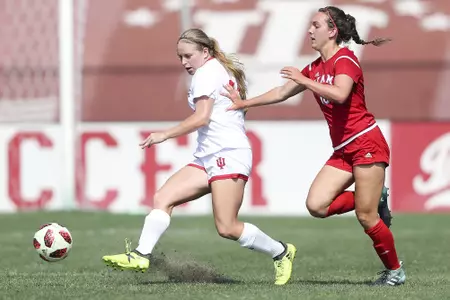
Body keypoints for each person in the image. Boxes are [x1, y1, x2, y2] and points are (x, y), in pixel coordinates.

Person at [221, 6, 405, 286]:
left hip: (366, 142)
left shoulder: (346, 60)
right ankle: (375, 197)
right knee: (317, 205)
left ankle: (395, 272)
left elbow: (341, 94)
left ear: (332, 31)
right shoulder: (315, 68)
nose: (310, 30)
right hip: (345, 149)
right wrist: (244, 103)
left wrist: (305, 80)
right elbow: (283, 92)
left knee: (366, 217)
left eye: (316, 25)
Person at [102, 28, 297, 286]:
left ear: (205, 52)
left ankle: (281, 252)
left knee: (227, 227)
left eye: (188, 56)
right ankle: (141, 255)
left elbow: (202, 117)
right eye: (180, 57)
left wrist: (165, 134)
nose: (184, 63)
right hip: (209, 156)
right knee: (163, 197)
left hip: (228, 154)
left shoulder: (207, 73)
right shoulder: (213, 69)